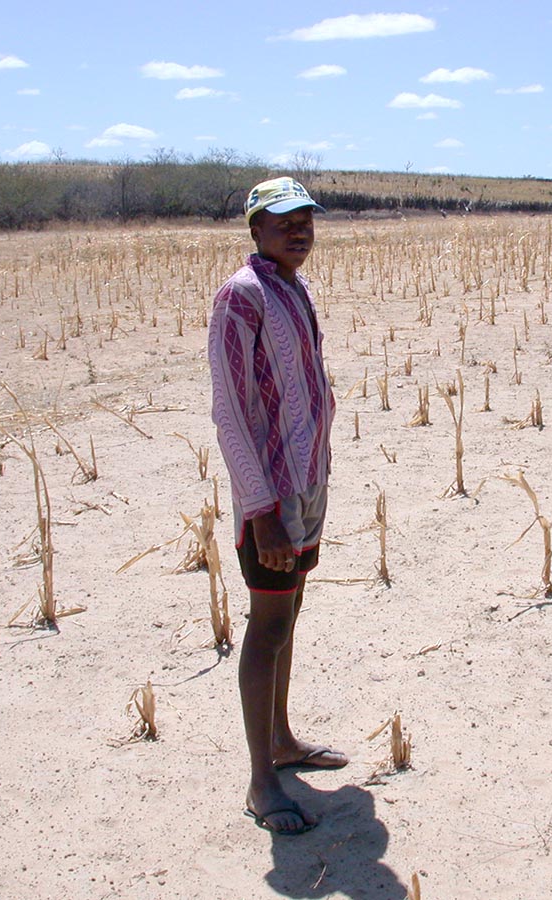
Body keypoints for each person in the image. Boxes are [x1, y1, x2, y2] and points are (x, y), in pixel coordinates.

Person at [208, 177, 347, 836]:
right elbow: (231, 412)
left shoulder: (292, 287)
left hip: (304, 484)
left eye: (306, 221)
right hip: (270, 493)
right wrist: (260, 508)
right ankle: (261, 780)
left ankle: (284, 740)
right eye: (284, 221)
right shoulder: (241, 297)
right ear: (255, 229)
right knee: (266, 626)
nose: (299, 230)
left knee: (289, 610)